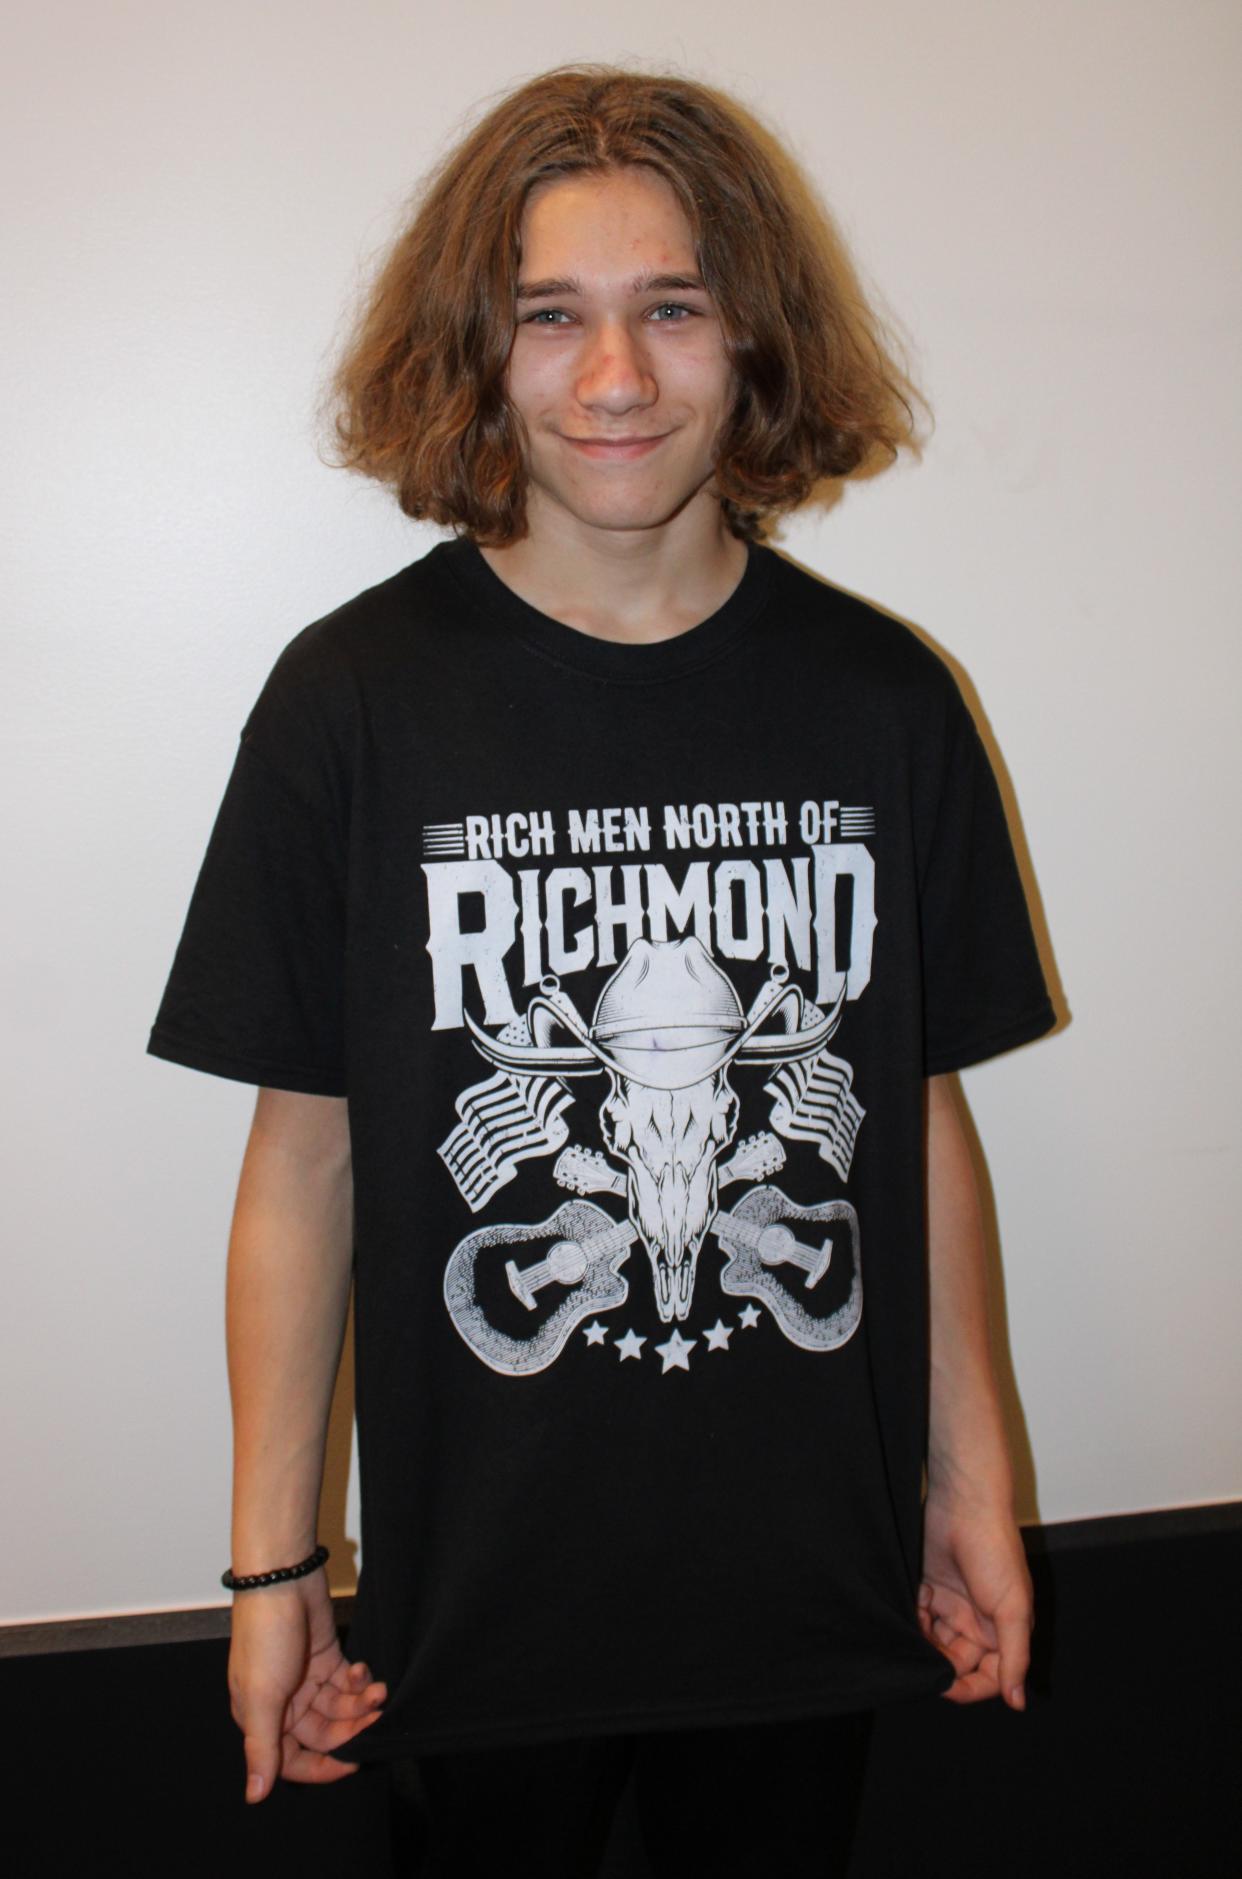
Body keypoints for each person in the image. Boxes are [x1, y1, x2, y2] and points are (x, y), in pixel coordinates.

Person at [147, 63, 1056, 1878]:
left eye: (673, 309)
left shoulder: (883, 702)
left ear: (755, 342)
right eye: (550, 318)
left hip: (808, 1585)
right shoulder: (353, 706)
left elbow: (915, 1118)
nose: (616, 378)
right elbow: (303, 1162)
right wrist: (274, 1570)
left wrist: (975, 1484)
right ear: (477, 353)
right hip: (478, 1612)